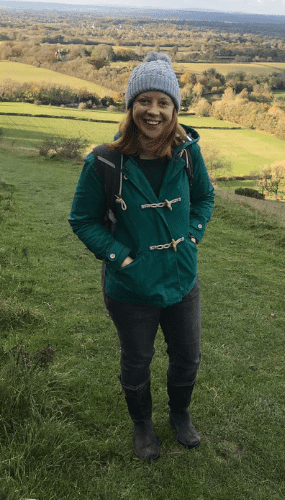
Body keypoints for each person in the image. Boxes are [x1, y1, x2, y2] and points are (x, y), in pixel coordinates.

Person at [69, 52, 215, 461]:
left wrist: (192, 235)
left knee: (188, 355)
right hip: (130, 287)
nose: (153, 111)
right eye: (144, 101)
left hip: (181, 279)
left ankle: (180, 415)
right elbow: (82, 219)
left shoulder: (187, 154)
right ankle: (142, 424)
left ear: (174, 110)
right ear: (131, 106)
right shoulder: (104, 161)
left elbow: (205, 197)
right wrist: (121, 258)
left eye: (162, 103)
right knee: (137, 359)